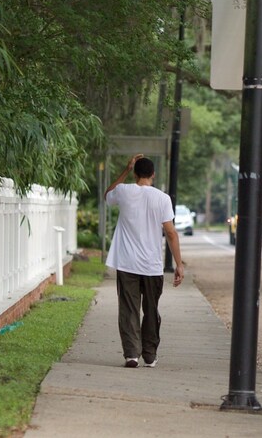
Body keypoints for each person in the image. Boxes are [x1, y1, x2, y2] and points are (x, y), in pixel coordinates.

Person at [104, 154, 184, 368]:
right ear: (153, 175)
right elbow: (171, 233)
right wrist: (179, 264)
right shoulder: (163, 198)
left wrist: (124, 170)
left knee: (129, 309)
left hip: (127, 263)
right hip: (152, 266)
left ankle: (131, 354)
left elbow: (107, 195)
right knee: (151, 310)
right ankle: (149, 354)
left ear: (135, 173)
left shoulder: (123, 191)